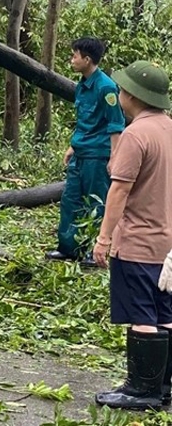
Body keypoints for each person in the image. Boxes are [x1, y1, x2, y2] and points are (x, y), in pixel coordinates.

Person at [92, 60, 172, 410]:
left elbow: (119, 192)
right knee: (164, 314)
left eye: (123, 89)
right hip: (167, 246)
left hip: (137, 242)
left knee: (142, 315)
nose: (120, 94)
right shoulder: (169, 129)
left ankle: (142, 389)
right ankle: (164, 385)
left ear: (133, 96)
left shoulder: (135, 136)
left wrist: (104, 238)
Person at [46, 38, 125, 265]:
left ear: (87, 59)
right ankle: (68, 248)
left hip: (97, 156)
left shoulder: (107, 88)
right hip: (80, 153)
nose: (72, 60)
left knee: (96, 203)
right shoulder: (82, 84)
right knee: (70, 199)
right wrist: (73, 146)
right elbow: (84, 120)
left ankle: (95, 250)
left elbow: (116, 125)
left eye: (75, 55)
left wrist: (114, 157)